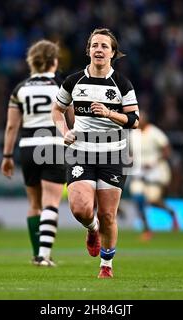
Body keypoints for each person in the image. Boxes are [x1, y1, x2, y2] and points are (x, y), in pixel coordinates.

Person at [52, 28, 139, 278]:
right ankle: (92, 229)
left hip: (113, 154)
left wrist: (110, 113)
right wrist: (64, 130)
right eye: (94, 45)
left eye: (104, 46)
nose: (99, 49)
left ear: (113, 53)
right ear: (88, 50)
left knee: (108, 215)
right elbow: (57, 110)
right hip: (81, 151)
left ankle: (107, 265)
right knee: (80, 209)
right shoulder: (73, 81)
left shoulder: (122, 84)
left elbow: (134, 120)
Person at [1, 39, 70, 267]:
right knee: (51, 202)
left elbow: (11, 126)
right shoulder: (61, 87)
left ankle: (35, 254)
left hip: (28, 147)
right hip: (53, 145)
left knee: (34, 203)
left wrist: (7, 156)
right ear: (55, 61)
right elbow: (71, 120)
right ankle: (44, 255)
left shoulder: (20, 89)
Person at [129, 110, 179, 241]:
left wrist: (155, 161)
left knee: (153, 200)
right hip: (139, 171)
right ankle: (147, 229)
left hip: (156, 171)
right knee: (138, 198)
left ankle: (171, 212)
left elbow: (167, 150)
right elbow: (130, 152)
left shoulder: (155, 132)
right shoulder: (134, 134)